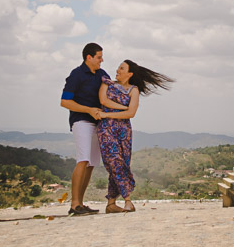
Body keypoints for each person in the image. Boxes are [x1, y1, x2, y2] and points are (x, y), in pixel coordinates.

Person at [97, 59, 173, 213]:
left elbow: (131, 113)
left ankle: (111, 204)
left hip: (124, 130)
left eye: (122, 68)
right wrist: (122, 108)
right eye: (118, 67)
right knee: (114, 160)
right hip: (106, 129)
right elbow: (103, 100)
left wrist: (107, 113)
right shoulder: (107, 83)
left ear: (129, 73)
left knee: (121, 163)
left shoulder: (134, 90)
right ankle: (127, 200)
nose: (117, 70)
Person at [59, 42, 109, 216]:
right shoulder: (76, 74)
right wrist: (88, 110)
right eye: (99, 57)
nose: (102, 60)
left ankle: (80, 203)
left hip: (98, 124)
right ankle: (74, 205)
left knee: (91, 164)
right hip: (81, 121)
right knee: (83, 160)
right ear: (89, 57)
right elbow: (64, 101)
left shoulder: (102, 74)